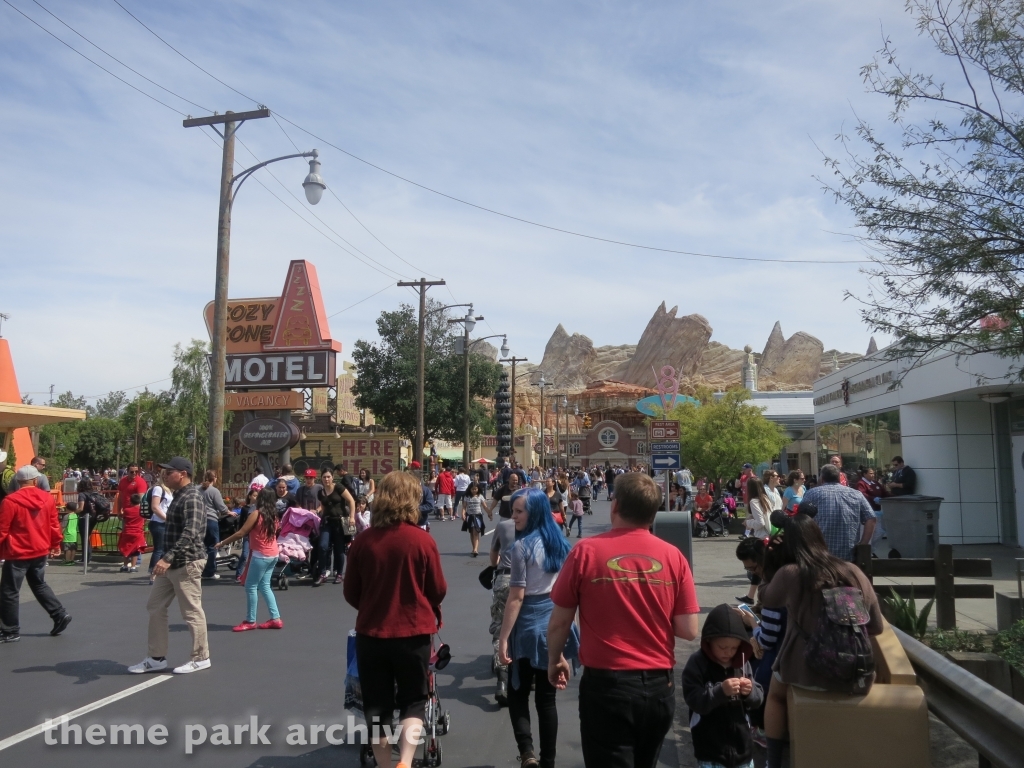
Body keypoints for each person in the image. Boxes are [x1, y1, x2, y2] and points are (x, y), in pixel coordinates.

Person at [547, 471, 700, 768]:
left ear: (614, 506)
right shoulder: (673, 556)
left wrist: (555, 660)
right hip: (659, 686)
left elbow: (559, 623)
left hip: (608, 685)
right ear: (653, 513)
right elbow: (689, 629)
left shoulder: (586, 551)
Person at [760, 513, 884, 768]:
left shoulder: (791, 573)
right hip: (856, 673)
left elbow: (765, 598)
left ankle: (773, 761)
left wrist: (769, 561)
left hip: (806, 672)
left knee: (774, 696)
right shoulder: (853, 571)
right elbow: (876, 627)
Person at [344, 471, 448, 768]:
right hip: (413, 633)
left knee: (377, 709)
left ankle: (385, 765)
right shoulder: (422, 540)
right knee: (413, 702)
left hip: (372, 633)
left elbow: (351, 592)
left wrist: (372, 605)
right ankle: (404, 760)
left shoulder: (363, 542)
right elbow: (438, 589)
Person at [498, 488, 579, 768]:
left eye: (519, 511)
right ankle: (548, 761)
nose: (513, 516)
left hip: (528, 625)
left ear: (534, 514)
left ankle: (527, 752)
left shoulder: (522, 547)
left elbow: (516, 597)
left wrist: (503, 638)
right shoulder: (561, 544)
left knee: (518, 692)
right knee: (547, 700)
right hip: (555, 626)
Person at [129, 457, 211, 675]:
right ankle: (156, 657)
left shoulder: (192, 496)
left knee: (191, 611)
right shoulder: (178, 495)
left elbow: (191, 532)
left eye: (169, 472)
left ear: (182, 474)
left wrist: (167, 557)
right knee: (155, 606)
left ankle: (201, 657)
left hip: (187, 561)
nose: (164, 475)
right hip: (172, 560)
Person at [682, 604, 763, 768]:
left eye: (733, 648)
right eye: (722, 647)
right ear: (709, 641)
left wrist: (750, 691)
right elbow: (695, 701)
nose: (728, 652)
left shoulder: (742, 663)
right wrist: (720, 692)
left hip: (743, 749)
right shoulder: (698, 663)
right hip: (711, 750)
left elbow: (758, 699)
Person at [0, 465, 71, 642]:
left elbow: (2, 529)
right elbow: (54, 524)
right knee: (39, 584)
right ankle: (59, 614)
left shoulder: (10, 501)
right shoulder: (47, 499)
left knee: (9, 591)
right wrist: (55, 544)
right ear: (36, 480)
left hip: (17, 551)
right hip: (40, 549)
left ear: (18, 481)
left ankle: (10, 630)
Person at [218, 487, 283, 631]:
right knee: (265, 586)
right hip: (273, 553)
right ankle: (275, 618)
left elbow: (241, 533)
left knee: (250, 586)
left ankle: (250, 620)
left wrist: (222, 543)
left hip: (261, 555)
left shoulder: (256, 514)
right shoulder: (274, 515)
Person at [801, 464, 876, 561]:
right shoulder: (856, 494)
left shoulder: (812, 494)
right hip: (848, 555)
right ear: (839, 478)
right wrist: (863, 543)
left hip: (820, 555)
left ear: (822, 478)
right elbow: (871, 518)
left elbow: (801, 518)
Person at [488, 484, 519, 706]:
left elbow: (493, 555)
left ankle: (501, 679)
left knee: (501, 628)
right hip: (528, 582)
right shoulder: (534, 526)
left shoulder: (502, 526)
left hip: (504, 577)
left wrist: (496, 566)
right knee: (524, 625)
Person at [317, 469, 355, 585]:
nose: (326, 479)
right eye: (324, 477)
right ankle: (322, 573)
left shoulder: (339, 487)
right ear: (321, 478)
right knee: (323, 546)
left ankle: (339, 574)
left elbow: (351, 501)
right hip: (327, 522)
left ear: (332, 477)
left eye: (328, 477)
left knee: (339, 550)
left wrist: (352, 517)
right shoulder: (321, 492)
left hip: (339, 522)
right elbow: (323, 506)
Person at [198, 470, 228, 580]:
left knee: (200, 546)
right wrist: (229, 512)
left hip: (198, 520)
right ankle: (209, 571)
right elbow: (221, 507)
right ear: (214, 478)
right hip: (210, 520)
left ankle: (198, 569)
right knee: (212, 546)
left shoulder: (196, 489)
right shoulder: (214, 491)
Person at [118, 493, 147, 573]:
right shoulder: (141, 510)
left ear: (130, 501)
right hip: (137, 532)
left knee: (126, 549)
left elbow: (123, 518)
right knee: (135, 550)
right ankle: (133, 567)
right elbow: (145, 519)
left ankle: (125, 566)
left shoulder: (127, 510)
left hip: (127, 531)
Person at [460, 482, 486, 556]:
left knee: (476, 531)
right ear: (470, 489)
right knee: (471, 532)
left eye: (475, 489)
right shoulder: (467, 496)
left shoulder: (480, 496)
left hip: (478, 516)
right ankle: (474, 548)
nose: (474, 490)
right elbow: (464, 506)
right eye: (472, 489)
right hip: (470, 516)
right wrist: (463, 513)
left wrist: (489, 513)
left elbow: (484, 506)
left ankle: (475, 549)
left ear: (478, 489)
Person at [744, 477, 772, 541]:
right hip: (770, 533)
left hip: (762, 536)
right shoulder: (765, 498)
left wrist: (747, 522)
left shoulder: (754, 501)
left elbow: (760, 523)